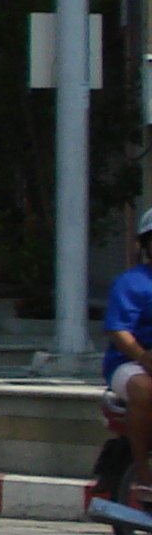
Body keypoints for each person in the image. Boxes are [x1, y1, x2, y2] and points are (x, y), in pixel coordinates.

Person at [101, 208, 152, 506]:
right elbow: (118, 330)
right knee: (145, 389)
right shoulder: (131, 282)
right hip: (129, 364)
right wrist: (143, 356)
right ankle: (145, 476)